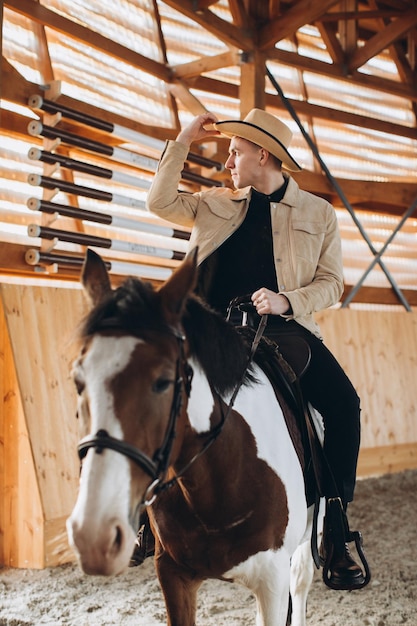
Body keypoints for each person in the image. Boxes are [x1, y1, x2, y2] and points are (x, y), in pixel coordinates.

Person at [145, 108, 366, 589]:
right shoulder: (213, 202)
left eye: (235, 152)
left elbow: (332, 284)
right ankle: (146, 517)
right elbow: (159, 201)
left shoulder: (318, 213)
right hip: (206, 328)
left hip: (281, 330)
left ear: (262, 154)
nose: (228, 161)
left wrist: (287, 300)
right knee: (151, 391)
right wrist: (182, 139)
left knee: (345, 405)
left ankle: (334, 528)